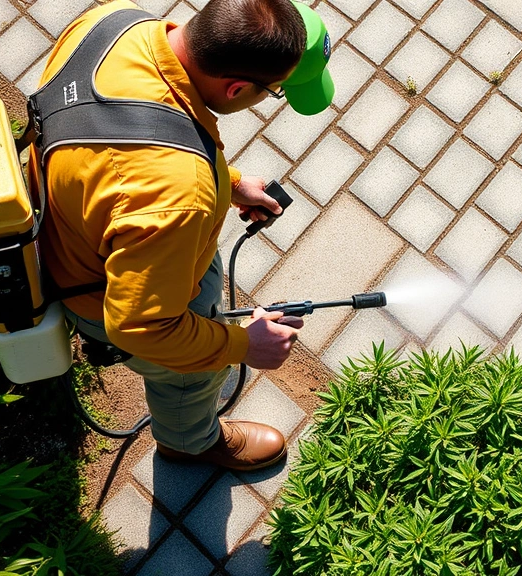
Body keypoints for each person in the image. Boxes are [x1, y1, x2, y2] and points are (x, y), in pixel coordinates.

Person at [27, 0, 333, 471]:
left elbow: (119, 134)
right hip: (105, 292)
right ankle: (189, 442)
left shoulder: (115, 21)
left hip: (68, 217)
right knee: (189, 373)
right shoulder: (176, 198)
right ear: (236, 88)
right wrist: (240, 345)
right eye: (274, 93)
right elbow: (143, 328)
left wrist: (225, 184)